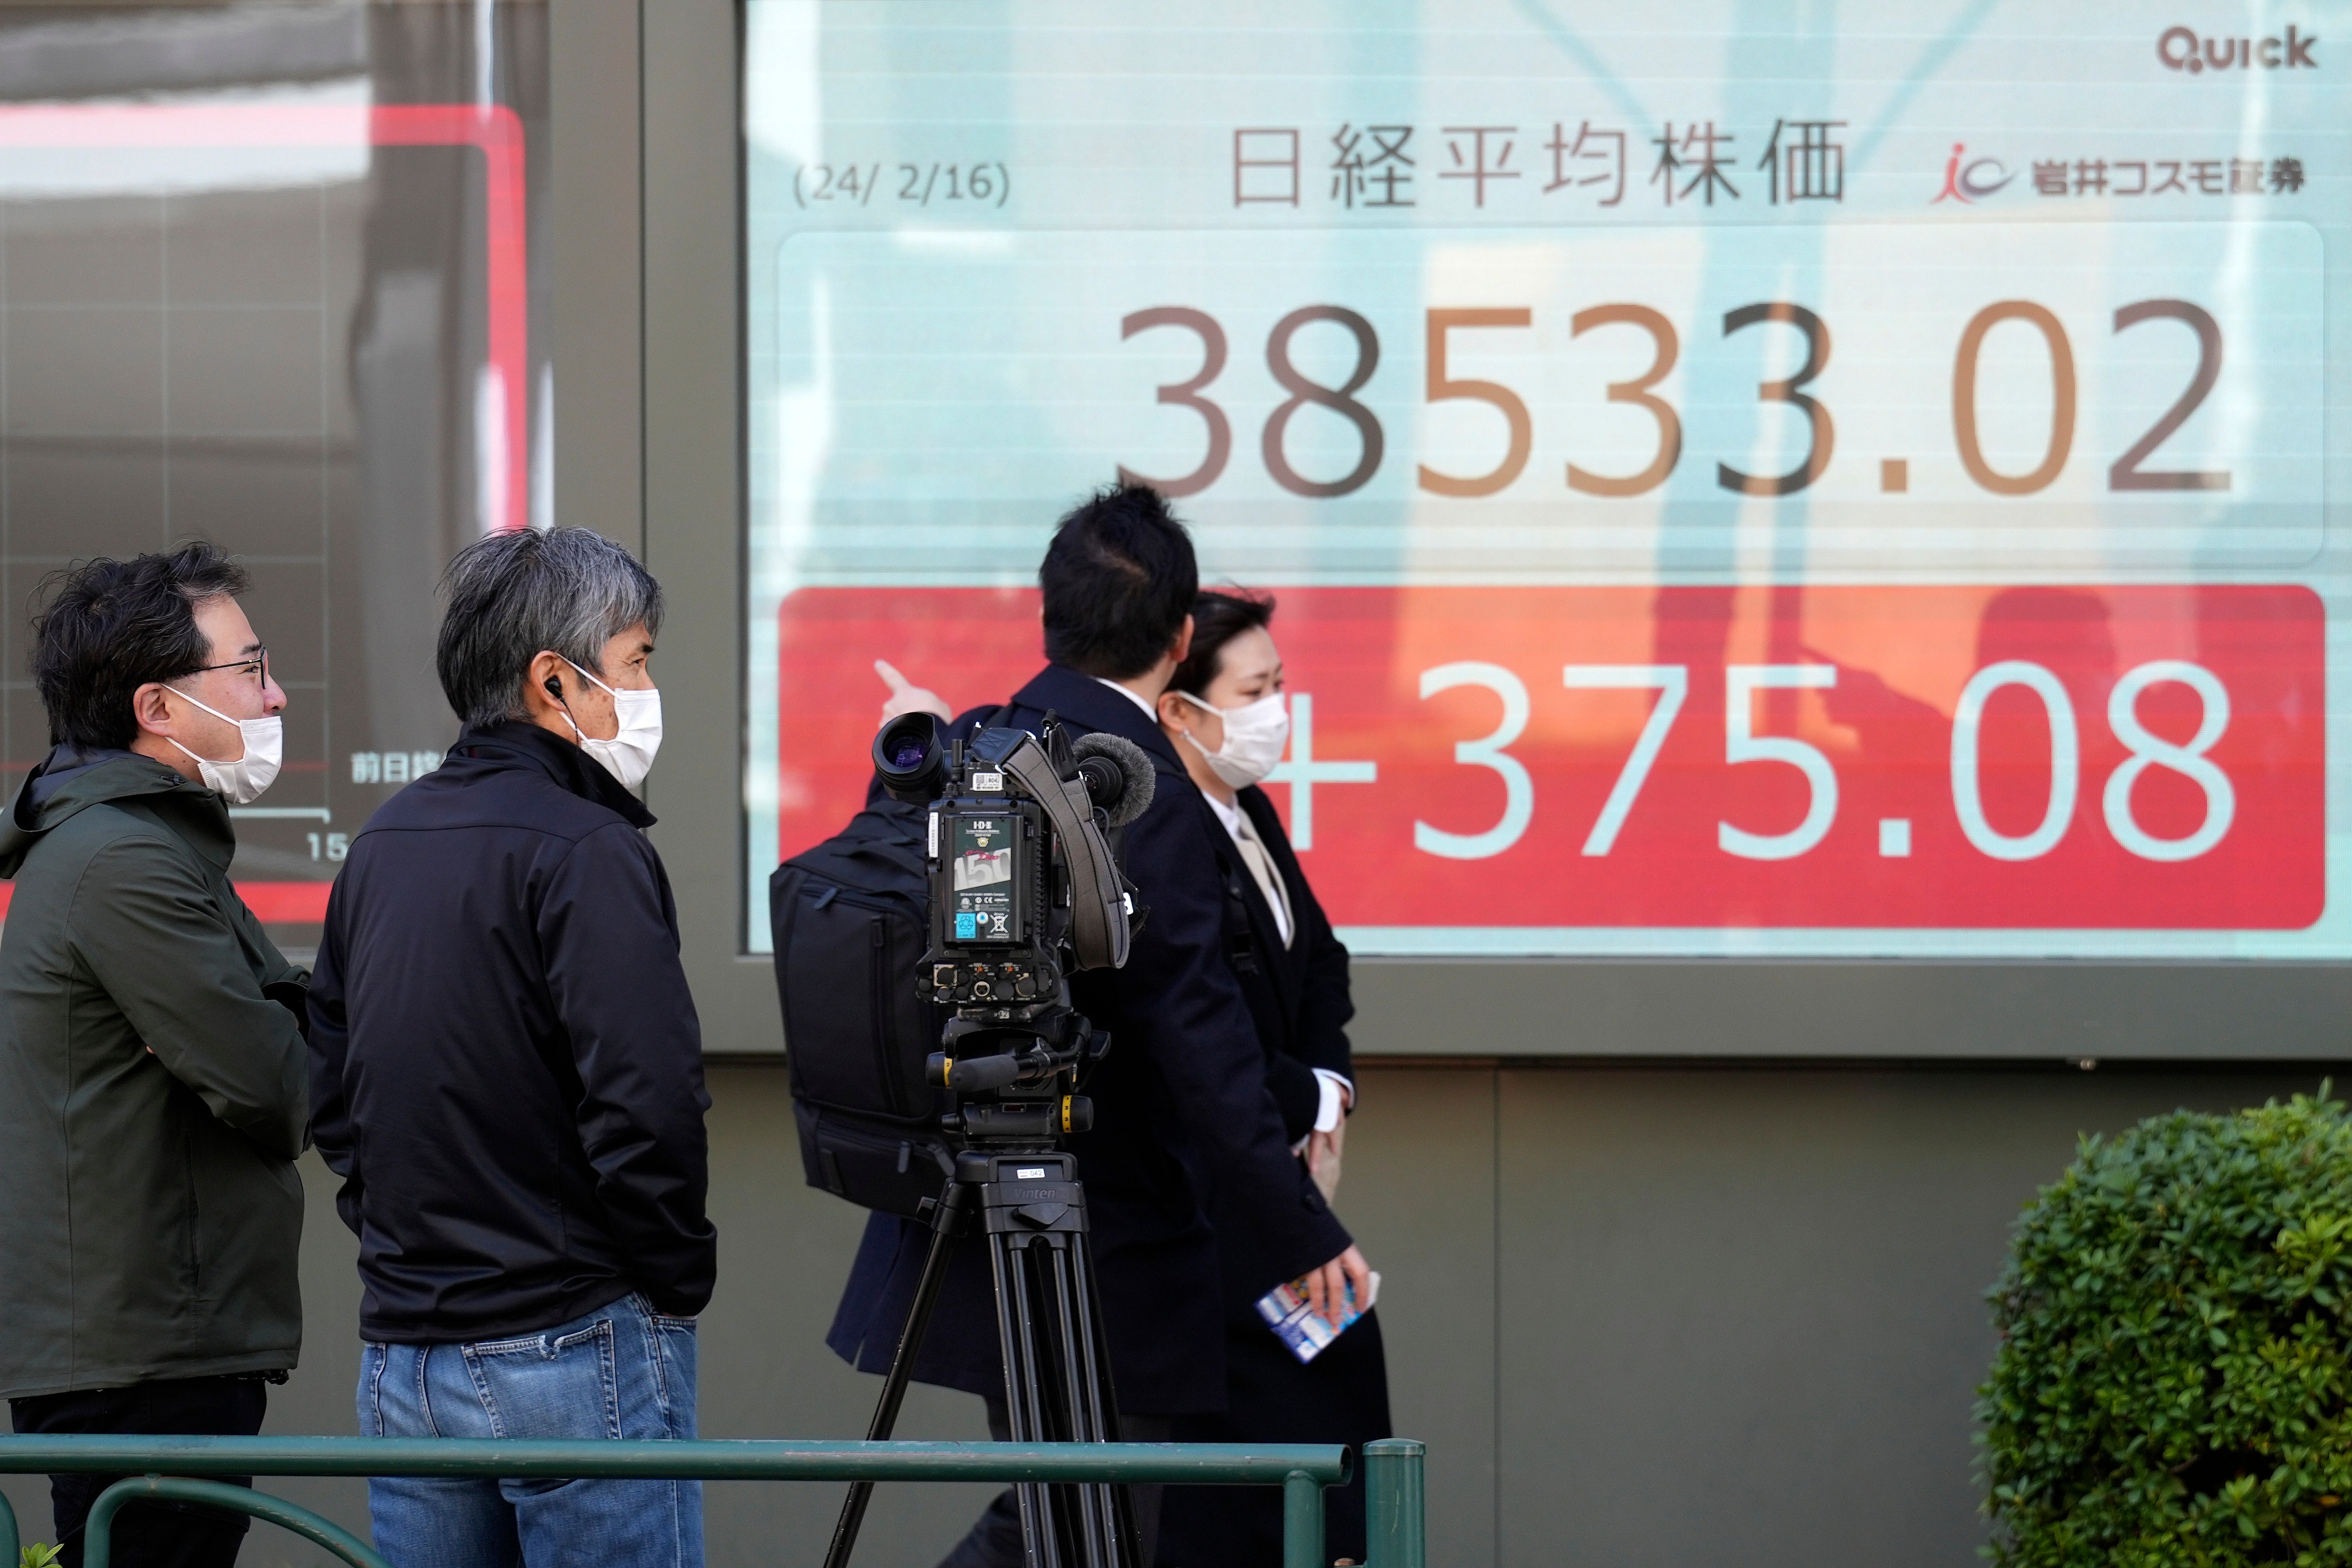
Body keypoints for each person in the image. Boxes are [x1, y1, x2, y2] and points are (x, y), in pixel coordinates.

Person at [826, 483, 1373, 1568]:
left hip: (982, 1214)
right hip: (1105, 1255)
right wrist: (1303, 1232)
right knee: (1084, 1528)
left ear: (1049, 616)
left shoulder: (979, 746)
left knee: (1061, 1520)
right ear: (1180, 639)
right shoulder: (1143, 793)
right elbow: (1204, 1046)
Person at [308, 526, 716, 1568]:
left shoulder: (383, 841)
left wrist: (411, 1246)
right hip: (577, 1345)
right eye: (634, 663)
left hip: (405, 1360)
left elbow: (338, 1092)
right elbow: (648, 1100)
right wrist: (669, 1278)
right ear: (554, 681)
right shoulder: (591, 847)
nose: (644, 689)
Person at [0, 544, 307, 1568]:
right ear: (158, 708)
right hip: (143, 1359)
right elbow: (272, 1082)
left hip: (150, 1344)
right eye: (250, 669)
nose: (274, 696)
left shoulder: (138, 839)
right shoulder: (124, 860)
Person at [1149, 590, 1393, 1567]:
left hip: (1286, 1175)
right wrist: (1309, 1101)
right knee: (1263, 1466)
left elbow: (1322, 960)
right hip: (1222, 1205)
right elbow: (1212, 1030)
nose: (1275, 709)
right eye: (1253, 690)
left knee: (1347, 1392)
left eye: (1279, 684)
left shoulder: (1245, 805)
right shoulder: (1171, 833)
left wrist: (1330, 1085)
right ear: (1180, 708)